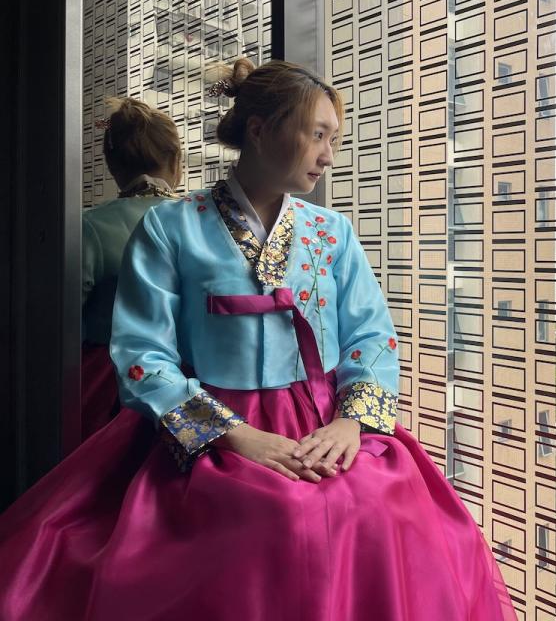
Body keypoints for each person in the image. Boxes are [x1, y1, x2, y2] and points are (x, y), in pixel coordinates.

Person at [0, 58, 518, 621]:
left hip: (322, 421)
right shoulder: (171, 228)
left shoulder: (331, 233)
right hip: (209, 422)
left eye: (334, 139)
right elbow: (142, 354)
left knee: (383, 509)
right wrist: (234, 437)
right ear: (261, 129)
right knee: (265, 520)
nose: (328, 153)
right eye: (317, 134)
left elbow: (370, 335)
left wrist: (349, 422)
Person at [81, 97, 181, 440]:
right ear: (177, 161)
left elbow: (63, 324)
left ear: (112, 165)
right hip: (195, 382)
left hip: (105, 386)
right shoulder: (203, 222)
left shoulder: (89, 227)